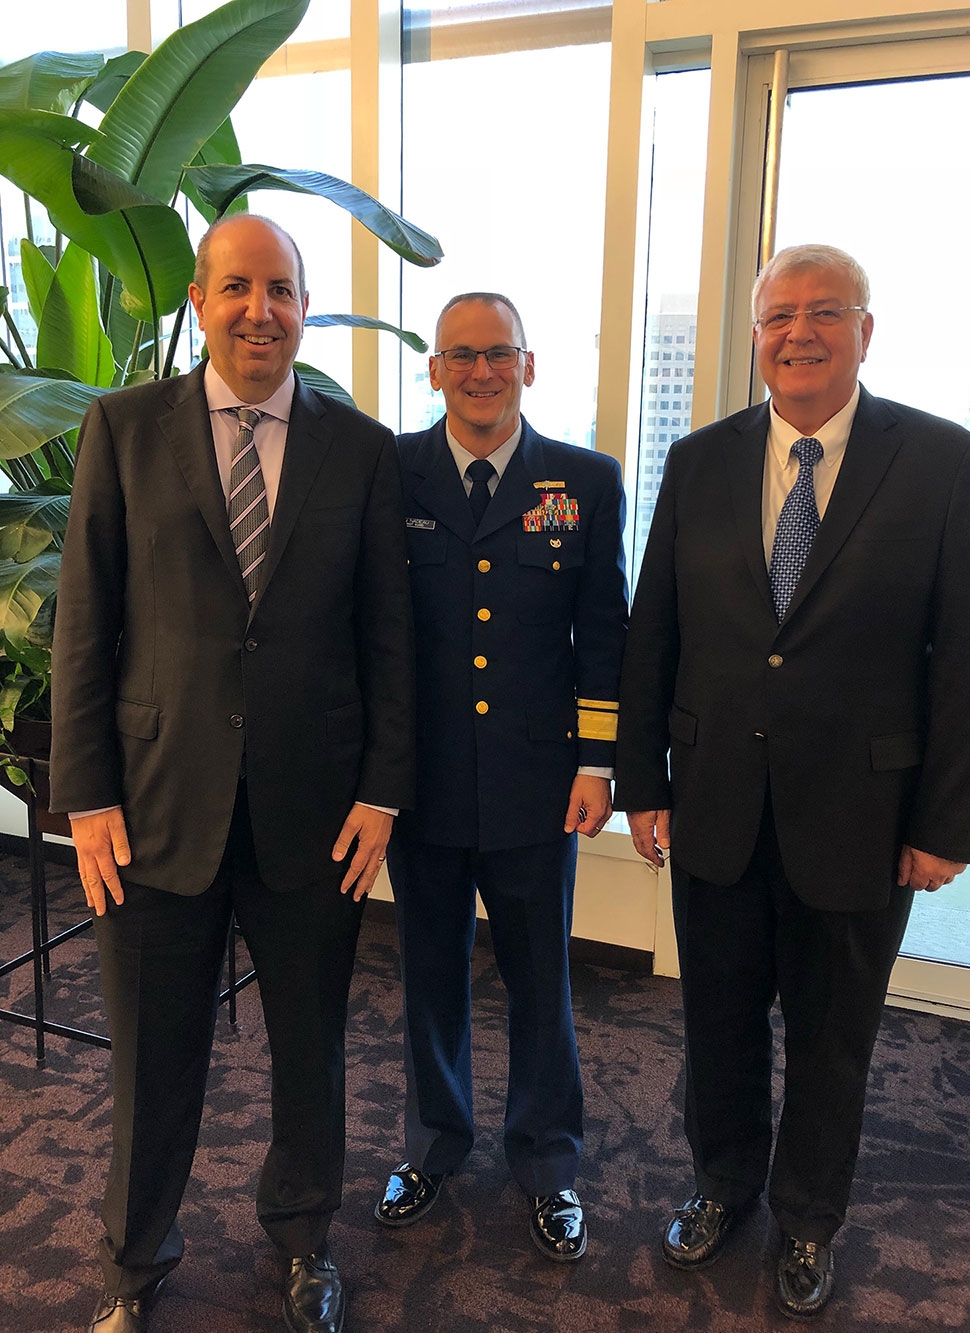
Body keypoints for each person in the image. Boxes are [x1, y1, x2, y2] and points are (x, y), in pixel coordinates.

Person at [614, 244, 970, 1318]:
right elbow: (657, 634)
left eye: (824, 311)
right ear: (755, 337)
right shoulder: (696, 462)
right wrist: (644, 779)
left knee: (834, 1037)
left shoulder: (937, 459)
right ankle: (721, 1183)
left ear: (864, 330)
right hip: (718, 808)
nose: (799, 332)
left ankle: (808, 1217)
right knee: (720, 1023)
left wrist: (946, 824)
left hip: (862, 816)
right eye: (778, 315)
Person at [49, 214, 415, 1333]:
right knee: (154, 1059)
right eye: (239, 289)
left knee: (311, 1050)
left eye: (284, 290)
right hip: (154, 810)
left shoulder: (360, 448)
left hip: (316, 814)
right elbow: (86, 620)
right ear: (201, 304)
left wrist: (381, 789)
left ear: (305, 308)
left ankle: (304, 1241)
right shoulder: (123, 427)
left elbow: (387, 636)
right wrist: (88, 795)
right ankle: (132, 1259)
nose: (263, 309)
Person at [374, 293, 628, 1260]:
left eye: (500, 354)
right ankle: (434, 1143)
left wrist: (598, 760)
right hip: (424, 782)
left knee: (541, 980)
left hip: (535, 781)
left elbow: (604, 632)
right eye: (461, 355)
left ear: (531, 365)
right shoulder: (386, 472)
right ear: (433, 370)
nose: (482, 372)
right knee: (429, 972)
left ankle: (547, 1163)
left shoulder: (584, 480)